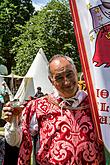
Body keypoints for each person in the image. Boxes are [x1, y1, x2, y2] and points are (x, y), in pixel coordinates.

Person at [3, 55, 105, 165]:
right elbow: (15, 142)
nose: (67, 82)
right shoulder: (38, 107)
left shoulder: (98, 105)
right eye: (59, 78)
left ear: (76, 71)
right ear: (51, 80)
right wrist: (13, 121)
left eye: (69, 74)